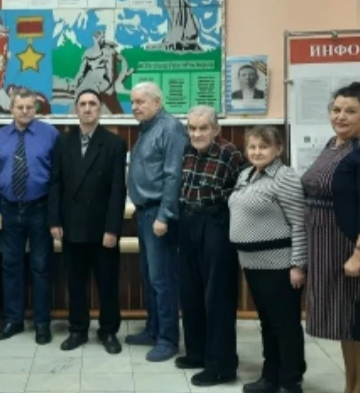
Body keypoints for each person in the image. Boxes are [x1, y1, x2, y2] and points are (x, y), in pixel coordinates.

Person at [300, 81, 360, 393]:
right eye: (336, 109)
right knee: (344, 324)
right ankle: (349, 386)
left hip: (351, 247)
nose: (340, 116)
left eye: (350, 111)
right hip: (325, 245)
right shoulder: (334, 143)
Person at [47, 90, 127, 354]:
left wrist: (113, 229)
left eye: (93, 104)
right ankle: (78, 329)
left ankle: (108, 331)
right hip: (72, 226)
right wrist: (54, 220)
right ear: (76, 109)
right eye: (82, 104)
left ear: (100, 109)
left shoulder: (114, 143)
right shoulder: (63, 142)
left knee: (107, 283)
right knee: (76, 283)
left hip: (103, 227)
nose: (87, 108)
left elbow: (118, 190)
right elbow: (55, 183)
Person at [229, 126, 308, 393]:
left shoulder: (285, 177)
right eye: (252, 147)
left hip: (280, 264)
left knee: (284, 325)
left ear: (278, 149)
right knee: (267, 323)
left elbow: (299, 223)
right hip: (252, 263)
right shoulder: (246, 174)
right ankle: (270, 376)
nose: (257, 152)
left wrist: (298, 265)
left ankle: (291, 380)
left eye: (263, 146)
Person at [174, 105, 244, 387]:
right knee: (190, 291)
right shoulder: (188, 150)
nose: (197, 134)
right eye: (192, 128)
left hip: (216, 222)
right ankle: (197, 353)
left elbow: (242, 192)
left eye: (203, 128)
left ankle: (221, 366)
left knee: (218, 296)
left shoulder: (230, 153)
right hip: (188, 220)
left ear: (216, 129)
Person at [0, 88, 59, 344]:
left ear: (36, 108)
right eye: (20, 107)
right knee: (11, 267)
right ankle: (13, 320)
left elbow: (58, 177)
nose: (25, 111)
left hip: (39, 209)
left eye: (30, 107)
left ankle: (42, 324)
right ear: (11, 108)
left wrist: (55, 215)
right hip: (8, 210)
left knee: (41, 267)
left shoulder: (50, 134)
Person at [126, 81, 188, 362]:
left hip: (159, 215)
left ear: (157, 102)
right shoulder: (147, 128)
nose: (135, 107)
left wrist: (164, 215)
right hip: (144, 213)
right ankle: (153, 329)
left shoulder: (170, 128)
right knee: (149, 276)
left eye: (140, 102)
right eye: (133, 102)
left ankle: (168, 338)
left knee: (162, 279)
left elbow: (174, 175)